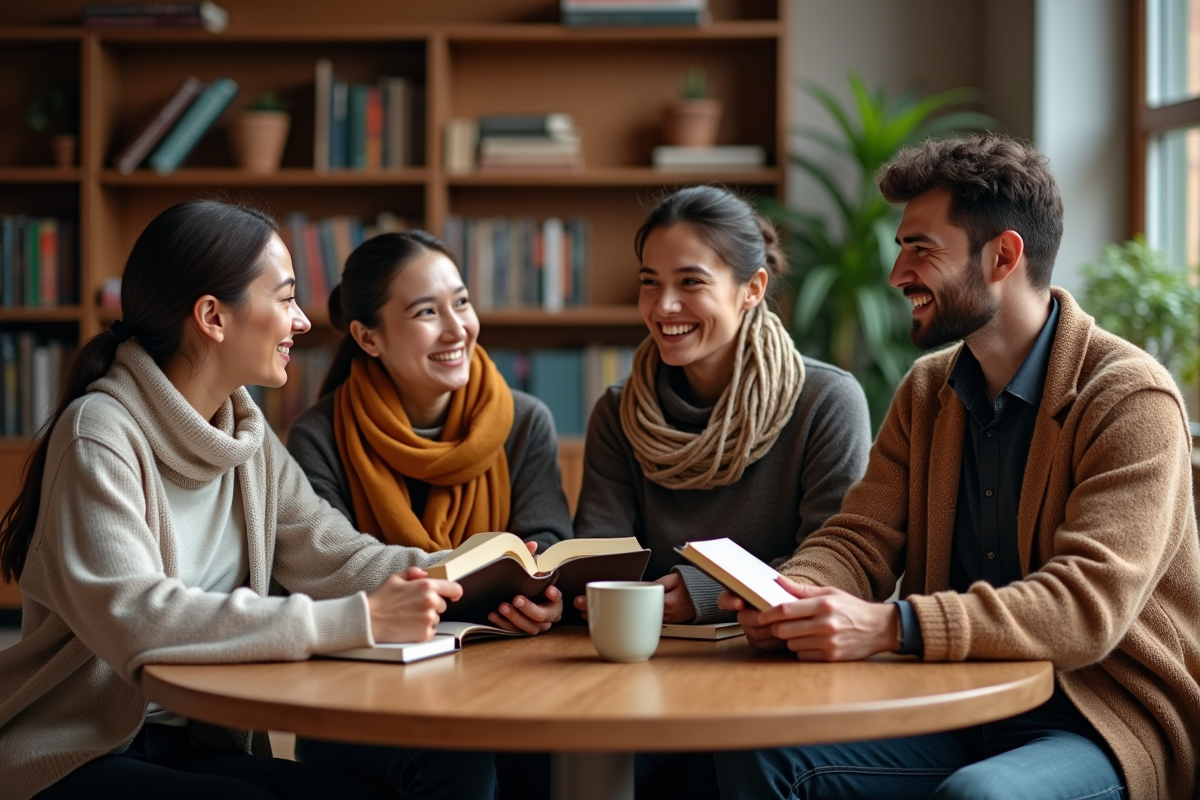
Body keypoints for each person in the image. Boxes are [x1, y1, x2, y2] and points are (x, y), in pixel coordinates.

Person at [715, 133, 1200, 800]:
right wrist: (793, 593)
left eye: (921, 249)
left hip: (1098, 718)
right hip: (956, 701)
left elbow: (1089, 608)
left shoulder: (1127, 397)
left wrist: (892, 625)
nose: (897, 275)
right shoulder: (927, 390)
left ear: (1002, 255)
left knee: (980, 798)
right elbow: (859, 539)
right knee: (756, 759)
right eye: (900, 249)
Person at [0, 200, 469, 800]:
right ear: (213, 318)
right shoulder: (100, 432)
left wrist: (483, 573)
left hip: (193, 746)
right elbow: (140, 619)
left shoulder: (245, 435)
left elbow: (334, 555)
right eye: (285, 298)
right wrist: (360, 620)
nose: (302, 321)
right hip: (73, 751)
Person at [572, 185, 872, 796]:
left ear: (753, 288)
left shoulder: (827, 401)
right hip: (640, 681)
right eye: (650, 282)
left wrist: (703, 592)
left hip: (776, 677)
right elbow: (599, 553)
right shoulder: (617, 410)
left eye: (690, 282)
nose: (664, 305)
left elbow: (839, 563)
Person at [284, 230, 573, 800]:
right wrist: (478, 572)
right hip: (370, 695)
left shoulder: (524, 420)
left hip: (508, 677)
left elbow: (545, 547)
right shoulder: (319, 435)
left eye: (461, 303)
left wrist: (543, 597)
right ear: (368, 337)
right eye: (425, 312)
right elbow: (323, 578)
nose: (456, 327)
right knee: (461, 763)